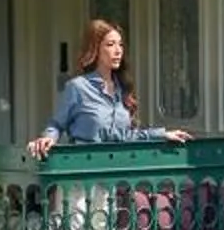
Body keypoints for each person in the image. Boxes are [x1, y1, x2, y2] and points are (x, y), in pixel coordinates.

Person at [27, 20, 190, 156]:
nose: (118, 51)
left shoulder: (122, 88)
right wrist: (48, 139)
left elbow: (126, 136)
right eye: (110, 45)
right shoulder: (77, 87)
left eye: (121, 45)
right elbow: (56, 124)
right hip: (85, 170)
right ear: (96, 49)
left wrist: (162, 134)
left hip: (117, 171)